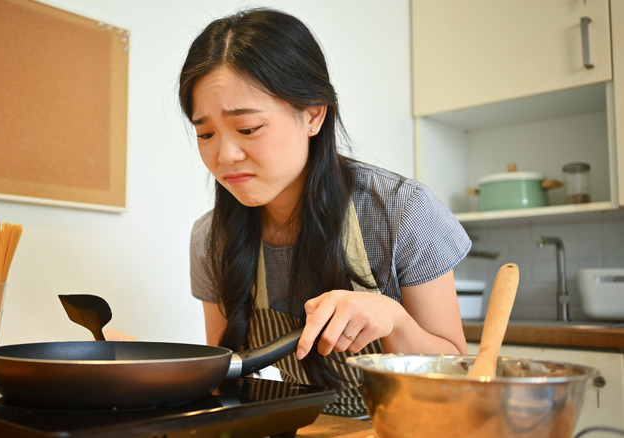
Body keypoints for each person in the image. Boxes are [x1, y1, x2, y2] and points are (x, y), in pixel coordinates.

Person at [174, 7, 471, 417]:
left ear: (313, 114)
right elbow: (228, 378)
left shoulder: (400, 211)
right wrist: (143, 370)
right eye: (205, 133)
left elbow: (459, 374)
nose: (225, 155)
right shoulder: (213, 236)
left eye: (247, 129)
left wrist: (395, 320)